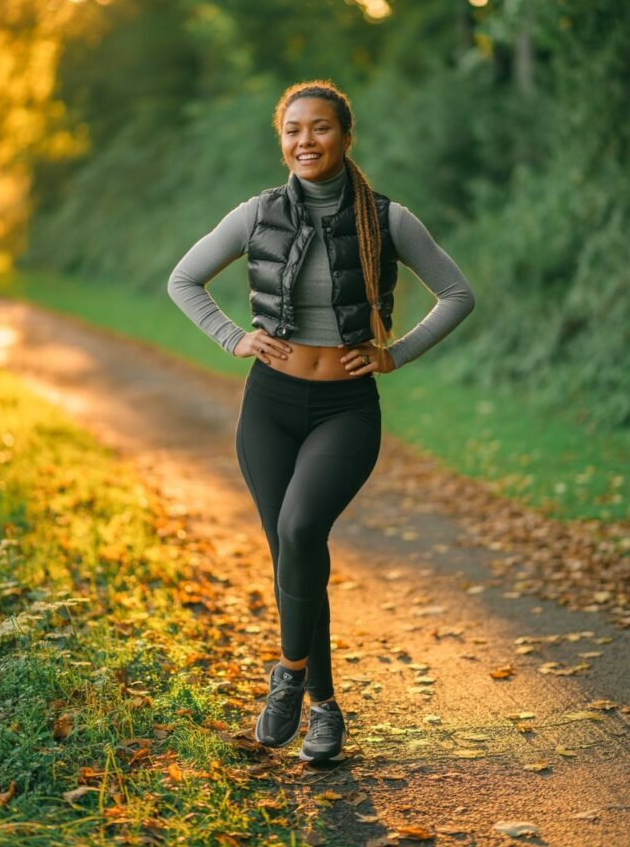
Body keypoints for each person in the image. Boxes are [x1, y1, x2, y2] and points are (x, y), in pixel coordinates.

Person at [167, 79, 475, 765]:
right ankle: (326, 710)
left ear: (345, 136)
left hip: (345, 409)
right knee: (292, 556)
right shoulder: (257, 214)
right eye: (292, 130)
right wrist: (232, 337)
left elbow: (457, 294)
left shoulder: (389, 220)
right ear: (282, 140)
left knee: (302, 529)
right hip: (269, 407)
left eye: (320, 128)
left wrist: (395, 355)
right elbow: (183, 280)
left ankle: (289, 675)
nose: (305, 141)